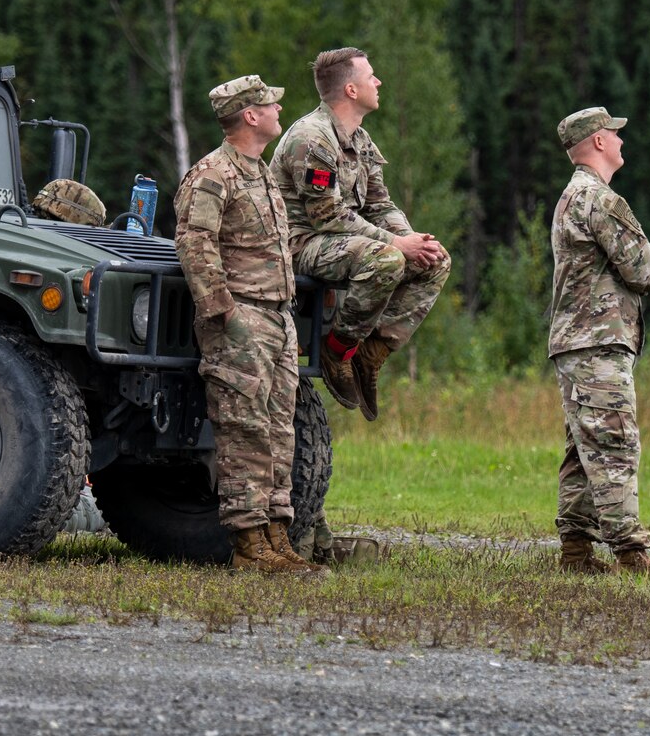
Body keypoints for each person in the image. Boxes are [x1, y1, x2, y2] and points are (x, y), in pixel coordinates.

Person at [173, 75, 317, 576]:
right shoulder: (214, 174)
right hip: (241, 318)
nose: (280, 110)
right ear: (249, 116)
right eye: (270, 105)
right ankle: (249, 544)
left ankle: (277, 535)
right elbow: (195, 243)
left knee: (279, 430)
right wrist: (223, 313)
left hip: (277, 316)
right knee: (243, 430)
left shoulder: (259, 174)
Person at [274, 47, 451, 429]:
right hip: (301, 243)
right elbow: (326, 217)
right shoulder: (312, 139)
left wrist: (411, 239)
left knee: (436, 259)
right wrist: (395, 245)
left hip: (342, 241)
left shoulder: (360, 139)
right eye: (371, 76)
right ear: (351, 90)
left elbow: (379, 203)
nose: (378, 82)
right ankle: (337, 351)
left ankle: (372, 351)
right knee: (385, 259)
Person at [547, 108, 650, 579]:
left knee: (584, 448)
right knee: (614, 442)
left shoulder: (570, 197)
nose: (622, 141)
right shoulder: (601, 200)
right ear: (598, 141)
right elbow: (641, 270)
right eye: (615, 134)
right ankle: (630, 555)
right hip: (598, 342)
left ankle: (576, 553)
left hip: (576, 342)